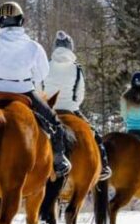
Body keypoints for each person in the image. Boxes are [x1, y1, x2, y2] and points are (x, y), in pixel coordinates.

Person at [0, 1, 72, 177]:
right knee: (54, 123)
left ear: (1, 22)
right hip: (25, 91)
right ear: (21, 21)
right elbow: (41, 75)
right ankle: (59, 162)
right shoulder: (34, 47)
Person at [43, 31, 111, 180]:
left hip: (48, 109)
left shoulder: (46, 65)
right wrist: (73, 105)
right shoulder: (77, 69)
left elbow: (39, 88)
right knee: (95, 135)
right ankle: (104, 167)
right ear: (71, 47)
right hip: (70, 108)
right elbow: (80, 93)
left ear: (55, 47)